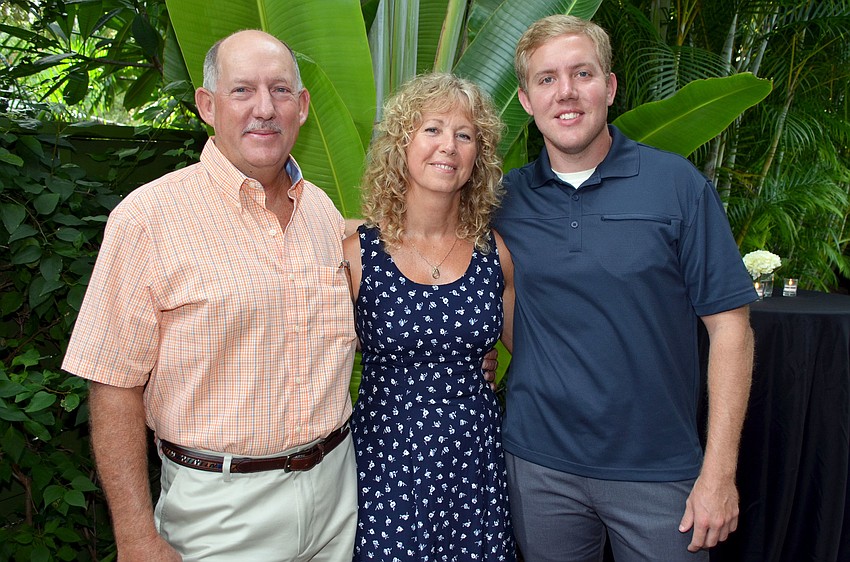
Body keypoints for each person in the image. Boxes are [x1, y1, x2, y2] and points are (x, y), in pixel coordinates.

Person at [62, 30, 359, 561]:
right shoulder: (147, 218)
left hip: (338, 496)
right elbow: (113, 386)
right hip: (220, 512)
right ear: (207, 104)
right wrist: (134, 536)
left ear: (304, 106)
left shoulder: (323, 215)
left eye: (281, 91)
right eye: (242, 90)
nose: (264, 109)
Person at [493, 15, 757, 561]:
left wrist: (720, 473)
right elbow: (426, 248)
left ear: (609, 87)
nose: (565, 92)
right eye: (546, 79)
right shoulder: (504, 199)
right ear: (525, 99)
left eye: (581, 73)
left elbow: (731, 330)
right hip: (539, 467)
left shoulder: (677, 186)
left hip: (659, 471)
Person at [342, 72, 517, 561]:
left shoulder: (493, 254)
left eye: (464, 135)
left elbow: (534, 351)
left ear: (477, 157)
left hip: (475, 471)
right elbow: (317, 363)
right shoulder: (358, 255)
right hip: (386, 468)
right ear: (402, 144)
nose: (449, 146)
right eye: (432, 129)